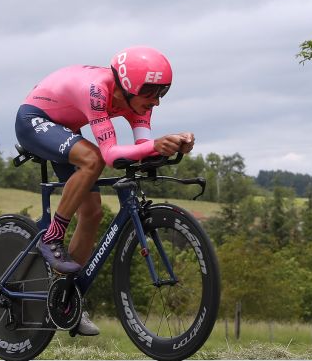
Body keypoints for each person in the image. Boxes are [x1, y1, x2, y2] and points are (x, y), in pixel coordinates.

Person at [14, 46, 195, 336]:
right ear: (127, 86)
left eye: (162, 94)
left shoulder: (138, 104)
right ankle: (51, 237)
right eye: (151, 94)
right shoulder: (97, 91)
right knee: (93, 159)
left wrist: (174, 144)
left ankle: (66, 297)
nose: (156, 103)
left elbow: (143, 149)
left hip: (66, 128)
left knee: (93, 213)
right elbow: (110, 155)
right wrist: (154, 145)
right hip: (35, 120)